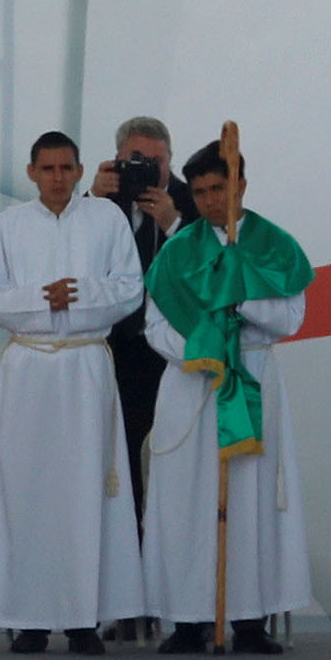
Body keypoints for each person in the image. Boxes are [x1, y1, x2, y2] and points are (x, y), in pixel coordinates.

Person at [0, 131, 144, 656]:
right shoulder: (10, 225)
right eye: (47, 169)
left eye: (67, 168)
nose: (58, 179)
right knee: (27, 492)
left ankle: (85, 618)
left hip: (86, 366)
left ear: (80, 168)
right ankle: (29, 620)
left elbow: (130, 288)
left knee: (86, 490)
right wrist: (43, 299)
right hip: (29, 370)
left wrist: (82, 293)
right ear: (31, 172)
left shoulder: (106, 220)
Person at [141, 141, 312, 655]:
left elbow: (290, 319)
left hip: (252, 380)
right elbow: (154, 325)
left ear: (240, 185)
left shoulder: (274, 244)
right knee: (186, 503)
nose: (210, 200)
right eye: (199, 192)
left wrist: (243, 298)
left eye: (218, 188)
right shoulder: (177, 250)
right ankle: (188, 619)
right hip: (192, 382)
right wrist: (203, 349)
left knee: (251, 500)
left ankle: (249, 618)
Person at [88, 116, 199, 538]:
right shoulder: (102, 201)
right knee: (118, 451)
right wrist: (90, 198)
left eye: (158, 161)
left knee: (175, 450)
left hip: (174, 353)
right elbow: (73, 252)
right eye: (137, 160)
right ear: (116, 160)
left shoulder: (192, 201)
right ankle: (126, 548)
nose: (149, 170)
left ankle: (173, 546)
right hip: (114, 347)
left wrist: (175, 224)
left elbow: (213, 264)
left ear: (172, 160)